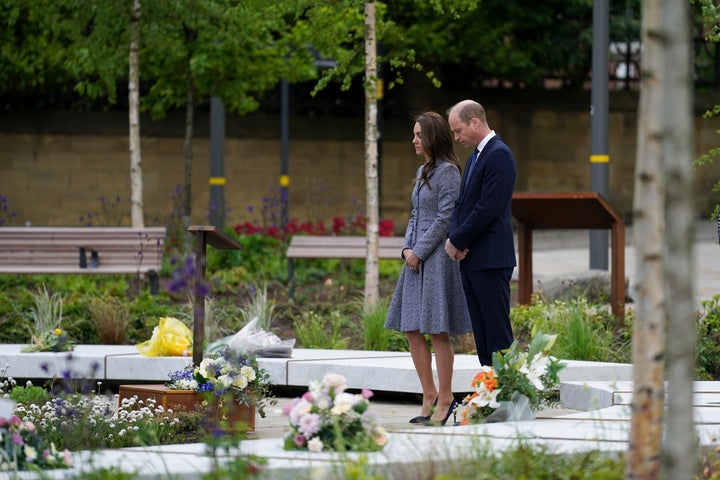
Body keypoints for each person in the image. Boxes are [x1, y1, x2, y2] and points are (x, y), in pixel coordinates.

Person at [385, 111, 472, 426]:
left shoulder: (449, 172)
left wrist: (420, 251)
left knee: (436, 330)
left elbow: (445, 217)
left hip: (436, 260)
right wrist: (407, 248)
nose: (414, 140)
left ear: (433, 137)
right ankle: (429, 394)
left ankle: (446, 397)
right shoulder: (423, 170)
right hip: (415, 259)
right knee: (410, 327)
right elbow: (415, 214)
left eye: (419, 135)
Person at [445, 99, 517, 367]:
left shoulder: (499, 154)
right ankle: (488, 393)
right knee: (483, 336)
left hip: (491, 258)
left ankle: (507, 396)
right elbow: (462, 204)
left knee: (497, 335)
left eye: (458, 130)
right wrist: (454, 238)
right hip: (472, 259)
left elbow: (488, 207)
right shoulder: (475, 155)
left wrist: (458, 240)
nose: (456, 137)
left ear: (475, 122)